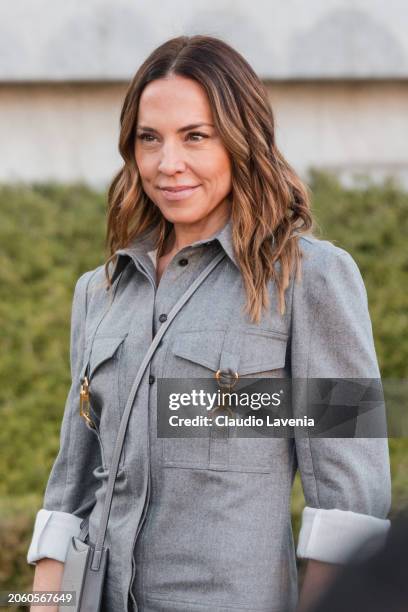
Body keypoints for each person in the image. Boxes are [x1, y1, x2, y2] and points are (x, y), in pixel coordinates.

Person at [27, 35, 391, 612]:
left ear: (242, 141)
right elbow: (69, 491)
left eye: (195, 137)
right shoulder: (99, 293)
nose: (168, 164)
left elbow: (349, 502)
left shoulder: (311, 279)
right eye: (150, 139)